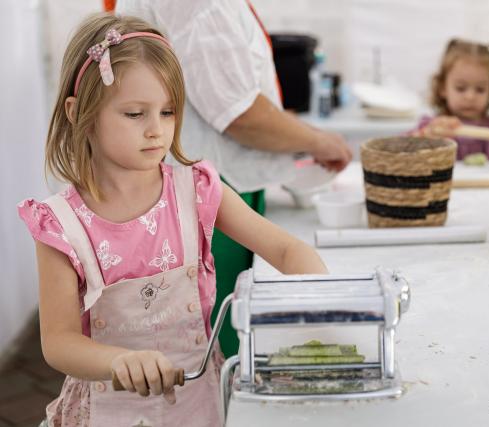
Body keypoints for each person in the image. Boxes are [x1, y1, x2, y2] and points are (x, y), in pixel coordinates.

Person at [18, 13, 329, 426]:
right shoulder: (59, 224)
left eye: (167, 112)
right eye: (135, 114)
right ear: (80, 113)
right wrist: (120, 361)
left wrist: (323, 308)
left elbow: (288, 249)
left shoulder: (196, 188)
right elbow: (58, 341)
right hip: (108, 413)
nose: (156, 131)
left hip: (199, 404)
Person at [115, 0, 352, 358]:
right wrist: (316, 141)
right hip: (202, 196)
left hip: (212, 186)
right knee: (215, 345)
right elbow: (237, 113)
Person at [412, 38, 489, 161]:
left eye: (480, 89)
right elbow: (400, 152)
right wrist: (426, 136)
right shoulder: (432, 125)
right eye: (461, 88)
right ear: (442, 88)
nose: (470, 97)